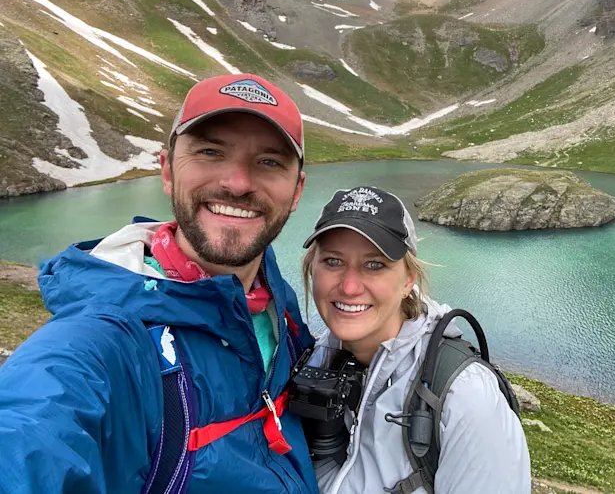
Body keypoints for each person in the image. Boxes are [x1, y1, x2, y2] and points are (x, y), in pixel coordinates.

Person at [0, 74, 320, 494]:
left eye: (269, 162)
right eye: (209, 151)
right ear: (167, 170)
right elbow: (29, 434)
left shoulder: (273, 294)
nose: (238, 183)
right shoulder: (103, 338)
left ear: (296, 192)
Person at [300, 186, 530, 494]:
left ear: (409, 280)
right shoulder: (311, 357)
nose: (350, 286)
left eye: (374, 265)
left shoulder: (465, 396)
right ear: (312, 267)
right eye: (332, 261)